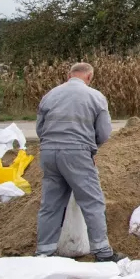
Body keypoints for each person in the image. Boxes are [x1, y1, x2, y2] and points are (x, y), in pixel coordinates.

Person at [34, 62, 126, 261]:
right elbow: (103, 133)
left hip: (49, 153)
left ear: (69, 76)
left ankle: (44, 252)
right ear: (89, 77)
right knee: (92, 202)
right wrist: (90, 149)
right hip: (77, 152)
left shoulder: (50, 95)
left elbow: (40, 129)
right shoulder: (95, 97)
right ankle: (102, 252)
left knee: (50, 204)